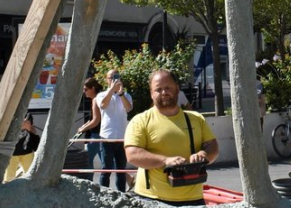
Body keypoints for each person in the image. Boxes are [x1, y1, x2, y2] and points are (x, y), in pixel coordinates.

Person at [125, 69, 219, 206]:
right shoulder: (140, 121)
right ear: (151, 93)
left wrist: (203, 154)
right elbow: (133, 155)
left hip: (193, 200)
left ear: (177, 89)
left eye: (168, 87)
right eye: (158, 89)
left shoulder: (196, 119)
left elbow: (213, 147)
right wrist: (166, 160)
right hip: (151, 199)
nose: (164, 92)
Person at [96, 69, 133, 191]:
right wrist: (112, 90)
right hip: (107, 137)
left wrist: (121, 94)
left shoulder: (126, 95)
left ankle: (121, 196)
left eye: (116, 77)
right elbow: (103, 105)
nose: (114, 79)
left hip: (122, 137)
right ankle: (103, 195)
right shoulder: (101, 95)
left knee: (121, 170)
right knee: (106, 169)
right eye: (111, 77)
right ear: (107, 80)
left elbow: (128, 109)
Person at [77, 77, 104, 180]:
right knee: (105, 161)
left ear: (92, 88)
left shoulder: (96, 100)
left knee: (88, 159)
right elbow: (93, 119)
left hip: (96, 134)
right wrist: (83, 127)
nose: (84, 92)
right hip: (100, 134)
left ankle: (89, 181)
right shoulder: (97, 99)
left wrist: (83, 129)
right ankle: (128, 178)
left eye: (86, 89)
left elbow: (96, 120)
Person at [4, 112, 40, 182]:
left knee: (31, 174)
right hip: (12, 152)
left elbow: (32, 130)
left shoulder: (28, 115)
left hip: (27, 151)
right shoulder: (9, 114)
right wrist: (21, 126)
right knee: (9, 177)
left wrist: (28, 128)